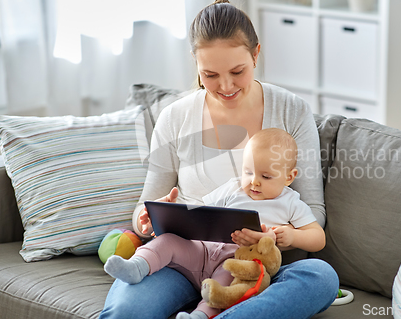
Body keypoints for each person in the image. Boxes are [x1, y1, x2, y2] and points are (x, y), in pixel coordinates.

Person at [100, 0, 339, 319]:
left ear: (256, 54)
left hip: (251, 266)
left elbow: (314, 212)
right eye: (210, 75)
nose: (225, 86)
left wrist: (274, 236)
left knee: (320, 276)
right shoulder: (175, 118)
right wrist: (146, 218)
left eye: (237, 71)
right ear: (195, 65)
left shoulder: (291, 111)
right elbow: (146, 206)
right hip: (184, 258)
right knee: (126, 313)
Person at [103, 128, 326, 319]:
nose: (254, 181)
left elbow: (318, 237)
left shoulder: (290, 201)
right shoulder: (234, 188)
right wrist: (168, 212)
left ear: (289, 176)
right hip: (202, 251)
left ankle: (200, 315)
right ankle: (136, 267)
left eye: (266, 176)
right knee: (167, 241)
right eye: (248, 172)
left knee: (224, 286)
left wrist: (290, 236)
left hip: (234, 263)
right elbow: (200, 211)